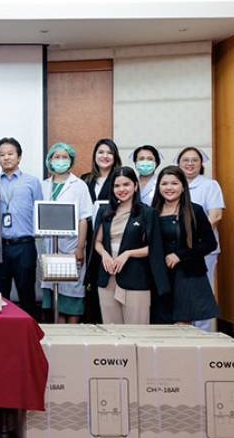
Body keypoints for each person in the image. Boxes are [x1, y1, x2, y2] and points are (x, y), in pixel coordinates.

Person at [87, 167, 169, 324]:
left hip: (135, 278)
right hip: (107, 276)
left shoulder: (147, 213)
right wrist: (104, 254)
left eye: (126, 184)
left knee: (137, 329)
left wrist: (128, 253)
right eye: (117, 186)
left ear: (135, 186)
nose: (121, 189)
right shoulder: (105, 211)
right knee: (111, 329)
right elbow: (97, 242)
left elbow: (155, 248)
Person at [152, 166, 220, 324]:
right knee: (160, 325)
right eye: (164, 183)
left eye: (174, 183)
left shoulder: (195, 210)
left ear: (183, 186)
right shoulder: (152, 212)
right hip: (160, 277)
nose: (169, 188)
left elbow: (210, 243)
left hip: (188, 275)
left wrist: (180, 255)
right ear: (159, 187)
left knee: (183, 325)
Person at [40, 143, 93, 323]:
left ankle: (72, 335)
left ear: (71, 160)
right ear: (49, 161)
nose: (61, 160)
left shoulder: (79, 186)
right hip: (50, 247)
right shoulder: (44, 185)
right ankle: (59, 333)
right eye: (57, 157)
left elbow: (84, 218)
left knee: (72, 294)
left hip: (71, 247)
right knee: (55, 294)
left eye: (65, 157)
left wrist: (80, 248)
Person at [0, 137, 43, 319]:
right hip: (0, 247)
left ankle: (29, 330)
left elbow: (39, 211)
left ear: (19, 157)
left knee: (27, 293)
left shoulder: (32, 182)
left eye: (10, 154)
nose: (6, 157)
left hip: (25, 245)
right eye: (2, 154)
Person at [177, 146, 225, 331]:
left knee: (202, 291)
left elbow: (216, 215)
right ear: (179, 164)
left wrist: (195, 239)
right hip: (179, 251)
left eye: (194, 160)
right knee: (182, 291)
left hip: (203, 249)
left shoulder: (210, 185)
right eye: (185, 160)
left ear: (201, 164)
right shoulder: (174, 185)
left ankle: (203, 333)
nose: (190, 164)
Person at [81, 138, 122, 323]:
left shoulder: (120, 179)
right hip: (89, 237)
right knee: (91, 282)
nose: (105, 156)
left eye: (109, 153)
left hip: (111, 237)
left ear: (115, 157)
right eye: (101, 152)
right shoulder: (85, 179)